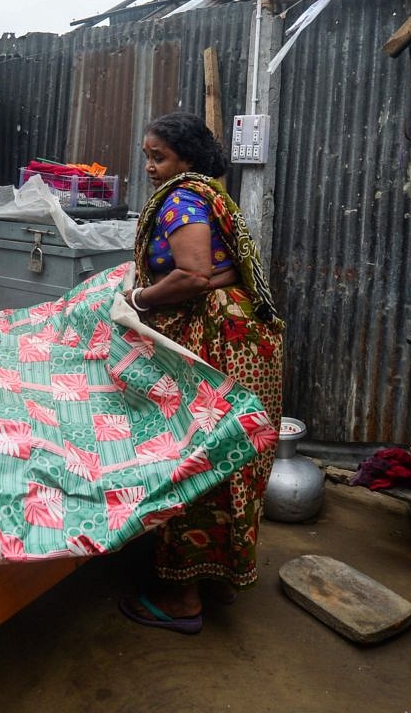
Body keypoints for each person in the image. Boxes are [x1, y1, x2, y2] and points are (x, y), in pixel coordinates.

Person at [117, 111, 284, 634]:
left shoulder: (181, 201)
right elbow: (223, 270)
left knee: (193, 454)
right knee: (232, 456)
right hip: (244, 340)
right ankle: (221, 575)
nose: (149, 166)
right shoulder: (213, 196)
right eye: (147, 155)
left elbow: (192, 275)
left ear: (185, 158)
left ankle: (183, 597)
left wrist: (138, 298)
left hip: (214, 344)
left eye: (158, 156)